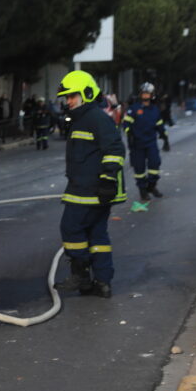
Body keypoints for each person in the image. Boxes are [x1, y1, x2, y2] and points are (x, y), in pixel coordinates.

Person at [54, 71, 125, 298]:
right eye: (67, 98)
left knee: (71, 227)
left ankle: (81, 275)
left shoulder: (95, 118)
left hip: (89, 190)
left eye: (72, 96)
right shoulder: (82, 119)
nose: (68, 101)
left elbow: (115, 149)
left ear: (86, 93)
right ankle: (102, 282)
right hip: (93, 189)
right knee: (97, 235)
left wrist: (107, 179)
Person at [123, 81, 167, 202]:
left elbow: (160, 125)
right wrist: (129, 133)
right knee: (139, 169)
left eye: (148, 93)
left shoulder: (155, 109)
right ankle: (143, 191)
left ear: (152, 95)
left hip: (151, 143)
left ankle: (152, 186)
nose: (145, 95)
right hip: (137, 144)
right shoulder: (134, 108)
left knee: (155, 164)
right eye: (144, 93)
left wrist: (165, 138)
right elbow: (126, 124)